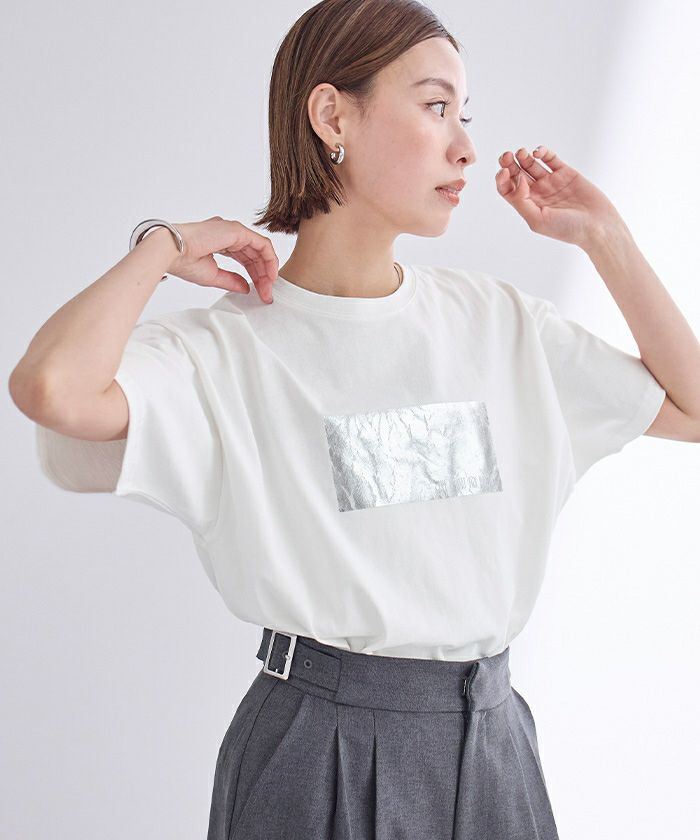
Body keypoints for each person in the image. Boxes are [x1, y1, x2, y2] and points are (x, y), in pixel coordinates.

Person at [10, 0, 699, 837]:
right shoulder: (223, 354)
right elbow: (51, 388)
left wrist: (606, 238)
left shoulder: (501, 325)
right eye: (436, 105)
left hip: (494, 745)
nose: (465, 146)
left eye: (465, 114)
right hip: (318, 751)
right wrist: (162, 247)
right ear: (333, 116)